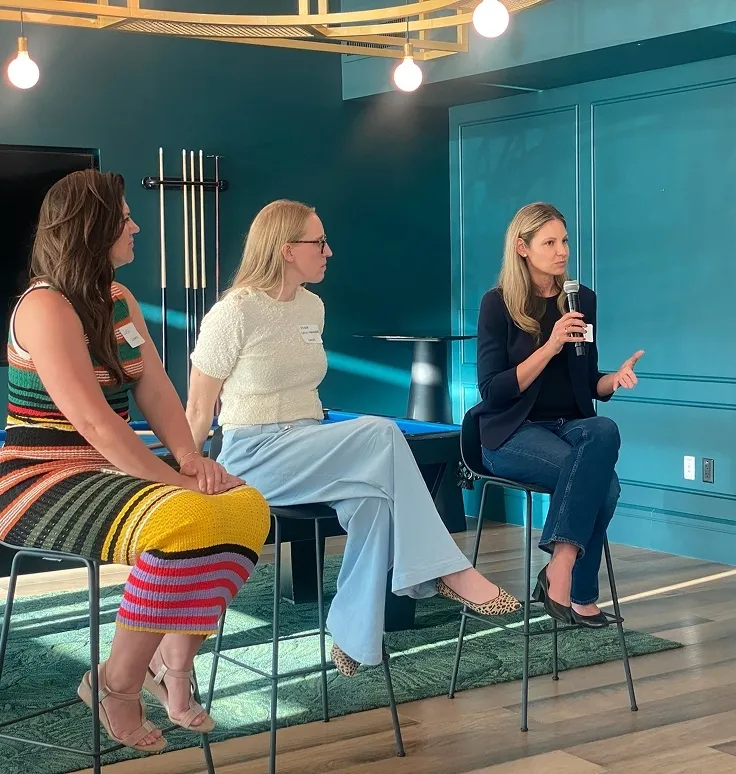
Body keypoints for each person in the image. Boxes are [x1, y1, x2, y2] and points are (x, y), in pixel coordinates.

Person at [185, 199, 521, 677]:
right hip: (253, 454)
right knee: (382, 432)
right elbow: (199, 407)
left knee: (375, 504)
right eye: (318, 242)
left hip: (308, 439)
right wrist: (185, 470)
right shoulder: (233, 312)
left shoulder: (312, 306)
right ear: (285, 249)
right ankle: (447, 568)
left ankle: (351, 634)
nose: (329, 250)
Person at [0, 170, 271, 752]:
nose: (136, 225)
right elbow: (95, 423)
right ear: (91, 228)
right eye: (124, 217)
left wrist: (190, 459)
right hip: (39, 477)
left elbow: (156, 392)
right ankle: (115, 685)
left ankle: (173, 661)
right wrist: (177, 482)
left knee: (246, 508)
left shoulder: (116, 299)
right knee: (187, 517)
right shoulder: (44, 307)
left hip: (111, 466)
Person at [472, 202, 644, 627]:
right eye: (549, 242)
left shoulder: (580, 299)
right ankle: (577, 591)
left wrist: (613, 380)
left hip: (570, 427)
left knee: (604, 428)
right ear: (522, 247)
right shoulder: (498, 304)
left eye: (564, 240)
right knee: (602, 487)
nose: (562, 250)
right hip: (510, 431)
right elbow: (492, 391)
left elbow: (588, 384)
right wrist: (549, 347)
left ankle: (558, 569)